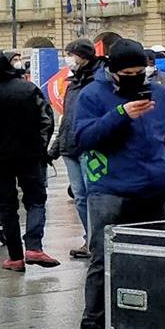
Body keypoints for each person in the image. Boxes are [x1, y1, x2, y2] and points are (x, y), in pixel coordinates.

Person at [74, 38, 165, 329]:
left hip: (154, 187)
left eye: (141, 71)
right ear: (113, 70)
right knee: (103, 259)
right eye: (129, 73)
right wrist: (121, 113)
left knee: (151, 260)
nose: (136, 77)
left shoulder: (160, 94)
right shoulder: (93, 94)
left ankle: (148, 326)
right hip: (111, 189)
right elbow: (84, 138)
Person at [0, 52, 59, 271]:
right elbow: (47, 119)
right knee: (35, 200)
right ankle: (34, 246)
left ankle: (15, 256)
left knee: (7, 206)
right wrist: (40, 146)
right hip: (30, 155)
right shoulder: (28, 88)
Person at [52, 39, 100, 259]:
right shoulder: (73, 82)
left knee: (94, 195)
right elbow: (67, 117)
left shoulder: (98, 79)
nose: (68, 59)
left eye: (71, 54)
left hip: (90, 146)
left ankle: (98, 239)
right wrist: (56, 146)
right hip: (70, 145)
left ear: (83, 56)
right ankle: (90, 238)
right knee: (80, 196)